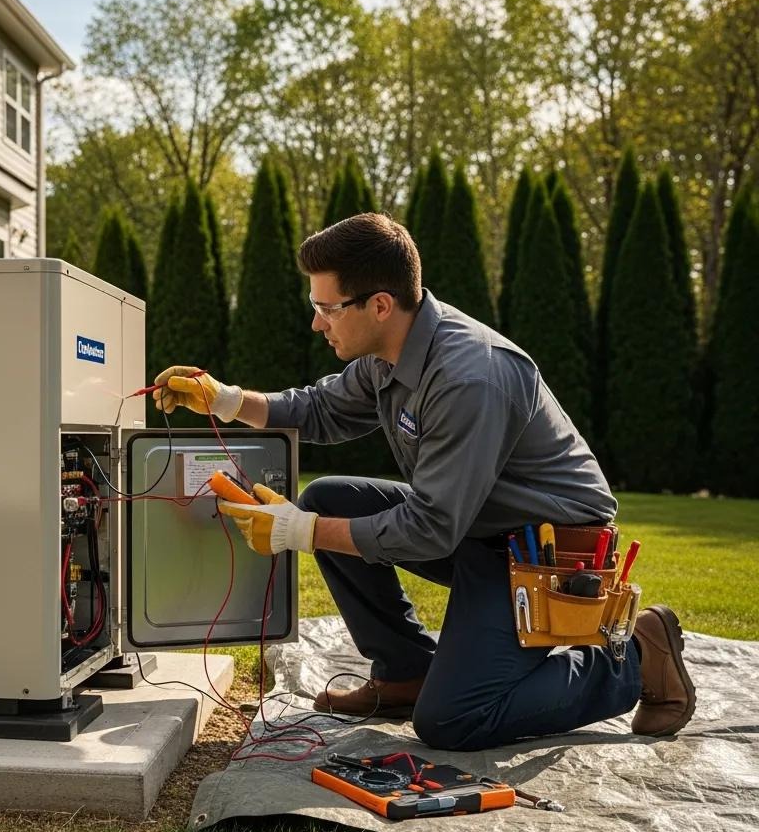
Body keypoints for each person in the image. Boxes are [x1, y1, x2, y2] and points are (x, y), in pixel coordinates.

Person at [153, 211, 696, 752]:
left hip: (547, 550)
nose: (317, 322)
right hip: (481, 529)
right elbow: (321, 409)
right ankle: (406, 673)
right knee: (328, 498)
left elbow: (431, 528)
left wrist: (301, 531)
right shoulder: (390, 352)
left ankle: (637, 661)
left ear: (380, 305)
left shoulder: (470, 376)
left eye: (326, 308)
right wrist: (224, 399)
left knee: (454, 720)